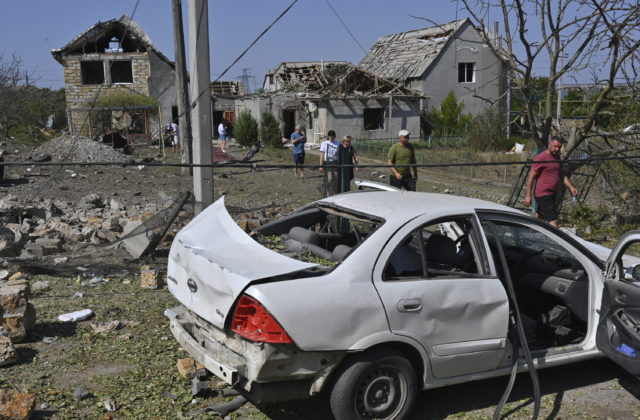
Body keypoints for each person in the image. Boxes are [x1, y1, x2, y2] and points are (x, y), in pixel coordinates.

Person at [524, 136, 579, 227]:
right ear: (549, 145)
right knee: (553, 221)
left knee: (540, 216)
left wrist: (571, 187)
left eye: (559, 147)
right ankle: (558, 240)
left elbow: (562, 174)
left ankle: (528, 229)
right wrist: (528, 196)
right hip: (543, 194)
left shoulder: (557, 157)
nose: (557, 149)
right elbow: (531, 177)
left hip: (552, 193)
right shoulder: (541, 158)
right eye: (555, 146)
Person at [319, 130, 341, 196]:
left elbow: (340, 153)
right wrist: (321, 165)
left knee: (336, 177)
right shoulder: (324, 143)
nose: (332, 138)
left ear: (335, 136)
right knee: (330, 178)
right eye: (330, 137)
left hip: (336, 162)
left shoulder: (338, 143)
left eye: (333, 137)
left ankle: (335, 192)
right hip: (328, 162)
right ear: (328, 136)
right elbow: (322, 155)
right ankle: (328, 192)